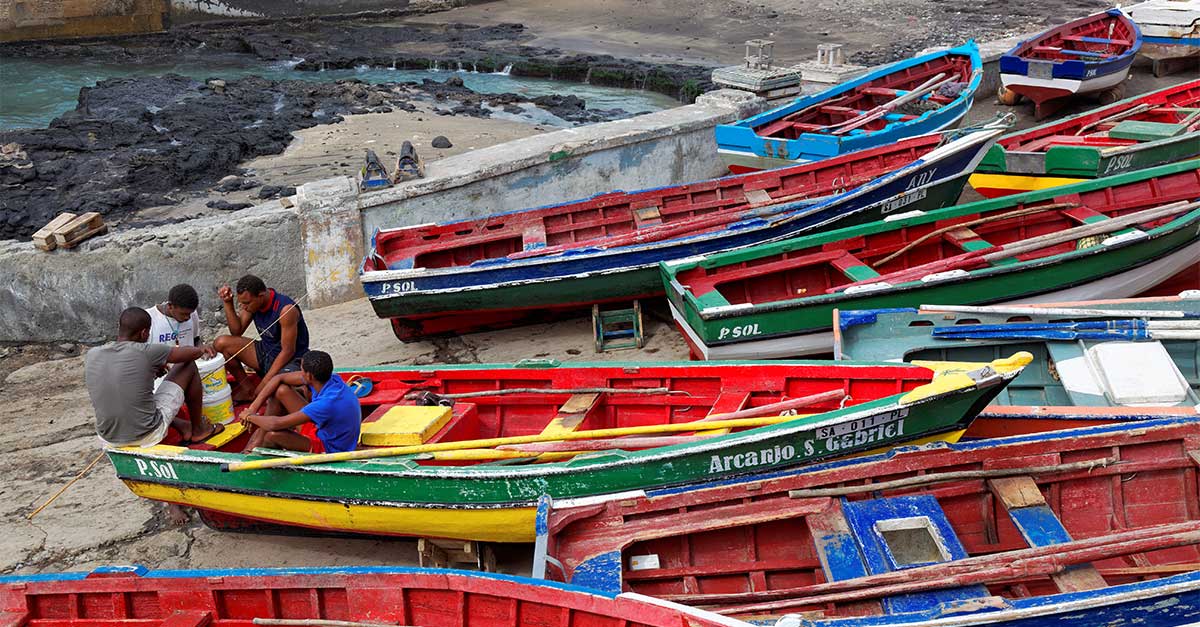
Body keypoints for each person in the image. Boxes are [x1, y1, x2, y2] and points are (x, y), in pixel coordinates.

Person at [85, 307, 223, 447]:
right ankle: (199, 429)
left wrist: (151, 369)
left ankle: (183, 426)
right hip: (147, 435)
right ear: (144, 333)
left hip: (107, 438)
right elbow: (189, 354)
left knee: (133, 398)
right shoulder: (146, 351)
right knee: (188, 366)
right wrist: (201, 349)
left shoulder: (92, 354)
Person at [238, 350, 360, 454]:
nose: (300, 373)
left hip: (331, 448)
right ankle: (258, 442)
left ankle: (269, 458)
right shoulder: (330, 378)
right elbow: (278, 378)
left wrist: (249, 417)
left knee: (272, 435)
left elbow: (275, 424)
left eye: (302, 370)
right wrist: (252, 408)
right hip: (322, 429)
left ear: (309, 376)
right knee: (281, 390)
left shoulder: (325, 404)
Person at [213, 275, 310, 401]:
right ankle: (248, 390)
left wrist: (264, 383)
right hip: (266, 352)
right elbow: (236, 331)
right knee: (221, 343)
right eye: (241, 303)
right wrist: (228, 303)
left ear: (261, 295)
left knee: (280, 393)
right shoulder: (253, 304)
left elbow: (288, 351)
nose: (244, 307)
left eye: (246, 303)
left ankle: (296, 389)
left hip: (290, 360)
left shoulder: (286, 310)